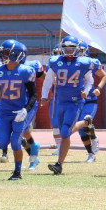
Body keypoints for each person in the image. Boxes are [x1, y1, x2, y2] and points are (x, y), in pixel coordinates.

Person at [41, 35, 96, 175]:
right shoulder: (55, 61)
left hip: (75, 102)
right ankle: (85, 123)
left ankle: (59, 164)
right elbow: (47, 81)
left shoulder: (83, 62)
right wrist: (44, 96)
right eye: (66, 48)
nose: (69, 51)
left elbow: (90, 80)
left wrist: (86, 91)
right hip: (60, 101)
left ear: (77, 49)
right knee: (63, 131)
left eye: (72, 48)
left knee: (65, 132)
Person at [0, 39, 37, 181]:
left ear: (16, 54)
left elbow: (33, 95)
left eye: (6, 53)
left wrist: (25, 110)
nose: (2, 55)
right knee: (1, 143)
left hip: (19, 112)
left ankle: (17, 171)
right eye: (2, 52)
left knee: (15, 143)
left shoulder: (25, 71)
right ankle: (22, 139)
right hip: (4, 112)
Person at [74, 40, 106, 163]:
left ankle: (93, 137)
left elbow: (104, 76)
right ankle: (91, 153)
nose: (77, 52)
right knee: (81, 129)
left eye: (80, 50)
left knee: (84, 122)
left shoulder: (92, 63)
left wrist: (99, 88)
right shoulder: (68, 63)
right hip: (75, 101)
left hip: (89, 100)